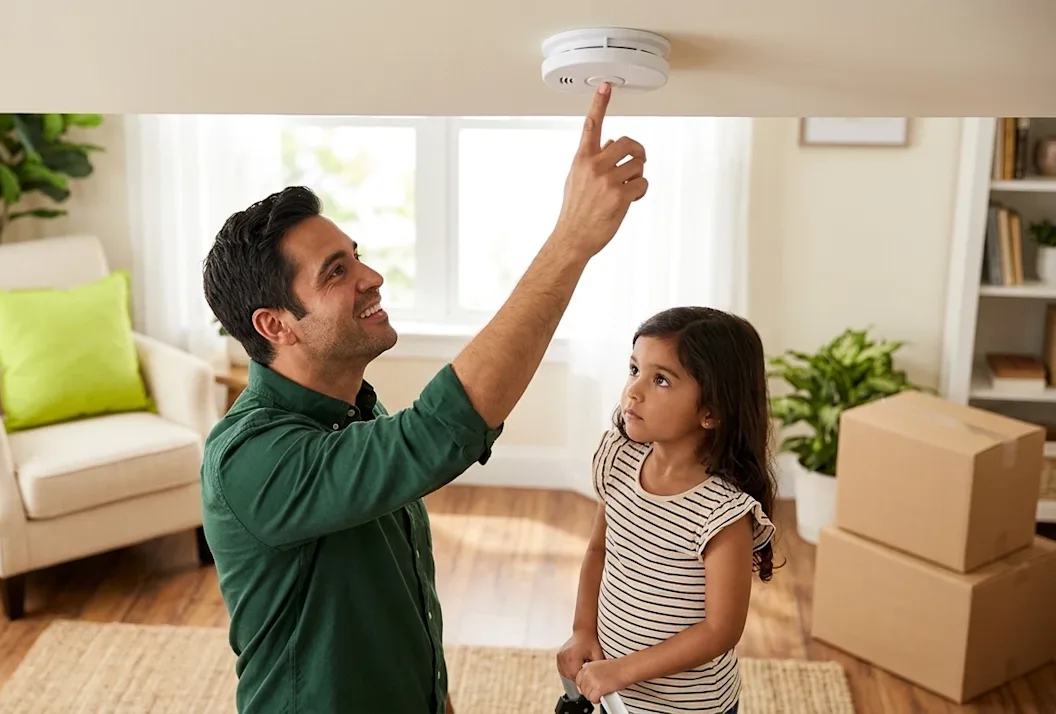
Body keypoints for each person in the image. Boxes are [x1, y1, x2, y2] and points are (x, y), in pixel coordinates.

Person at [199, 82, 647, 714]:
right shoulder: (251, 458)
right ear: (275, 324)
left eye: (355, 257)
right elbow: (440, 430)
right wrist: (571, 239)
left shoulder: (358, 412)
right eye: (336, 272)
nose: (371, 276)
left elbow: (395, 606)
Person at [556, 306, 779, 714]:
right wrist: (582, 629)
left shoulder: (723, 514)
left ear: (711, 411)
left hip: (688, 707)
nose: (633, 391)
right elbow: (598, 551)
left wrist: (623, 670)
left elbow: (720, 630)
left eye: (660, 380)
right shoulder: (619, 459)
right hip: (614, 692)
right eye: (634, 369)